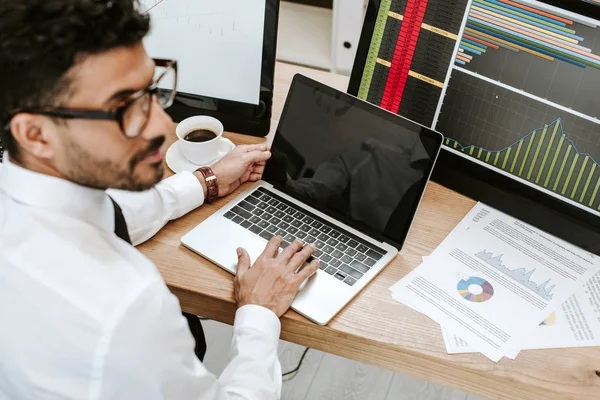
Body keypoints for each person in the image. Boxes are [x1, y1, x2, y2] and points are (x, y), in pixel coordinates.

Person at [0, 1, 319, 399]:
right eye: (124, 107)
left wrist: (205, 181)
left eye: (152, 90)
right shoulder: (124, 308)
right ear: (36, 134)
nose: (163, 125)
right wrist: (259, 312)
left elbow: (108, 213)